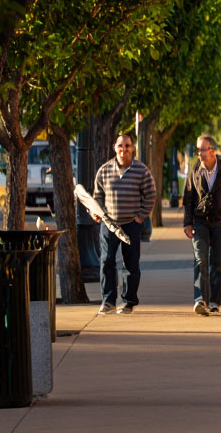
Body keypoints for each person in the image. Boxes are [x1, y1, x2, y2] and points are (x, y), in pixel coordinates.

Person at [91, 133, 154, 315]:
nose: (123, 149)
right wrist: (98, 213)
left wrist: (140, 217)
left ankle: (128, 301)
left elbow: (151, 194)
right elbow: (98, 196)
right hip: (109, 225)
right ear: (114, 147)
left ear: (132, 149)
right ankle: (108, 300)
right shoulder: (104, 170)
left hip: (131, 224)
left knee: (131, 264)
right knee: (106, 262)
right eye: (120, 145)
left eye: (127, 145)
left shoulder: (141, 170)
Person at [182, 135, 221, 315]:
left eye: (202, 149)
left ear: (212, 151)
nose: (198, 153)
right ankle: (200, 299)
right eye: (197, 150)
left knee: (219, 262)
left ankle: (214, 300)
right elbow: (188, 199)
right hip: (200, 221)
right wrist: (187, 222)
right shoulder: (195, 170)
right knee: (200, 258)